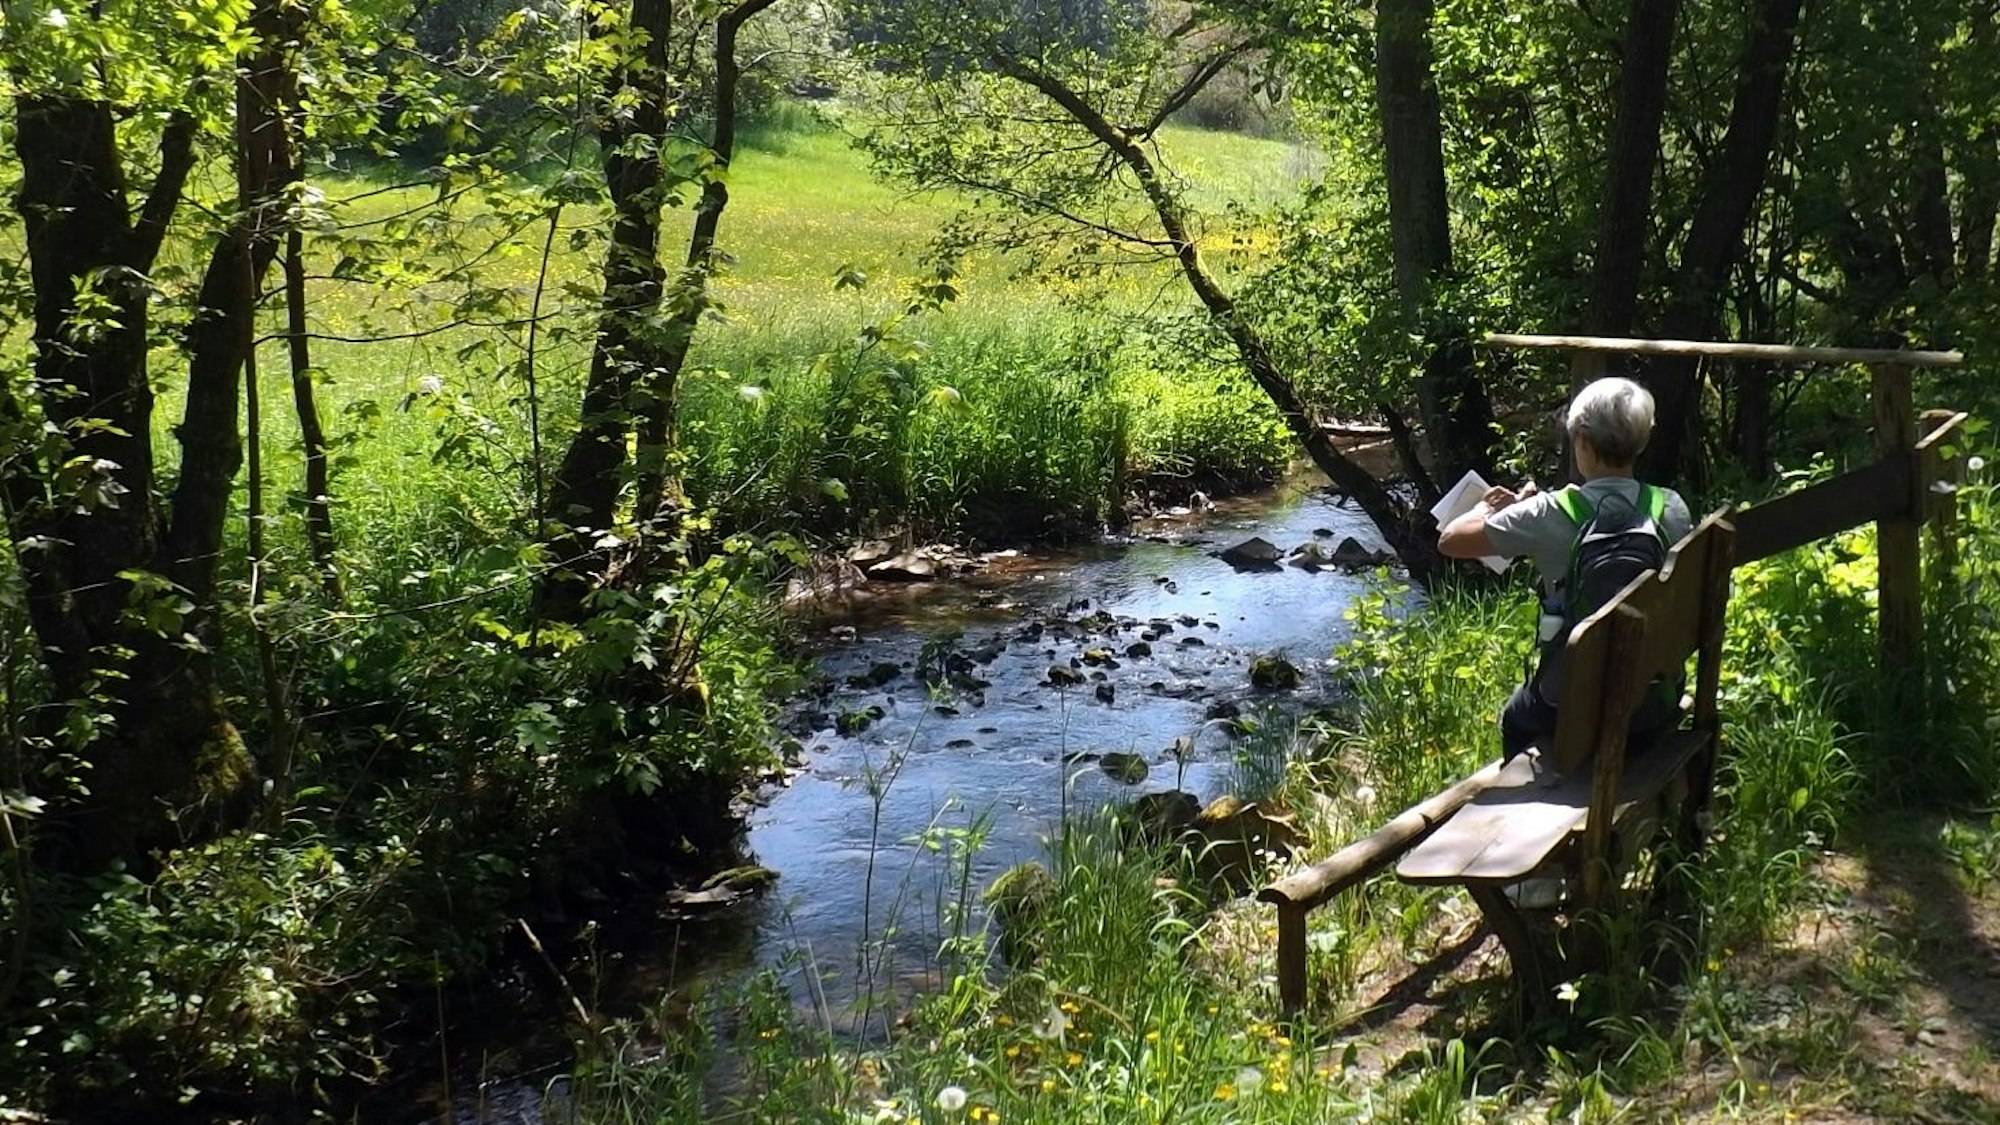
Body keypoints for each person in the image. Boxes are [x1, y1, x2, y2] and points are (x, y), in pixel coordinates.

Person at [1437, 376, 1693, 765]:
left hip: (1572, 709)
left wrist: (1489, 509)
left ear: (1584, 444)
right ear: (1641, 442)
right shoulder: (1670, 507)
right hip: (1654, 698)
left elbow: (1451, 540)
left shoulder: (1547, 513)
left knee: (1515, 718)